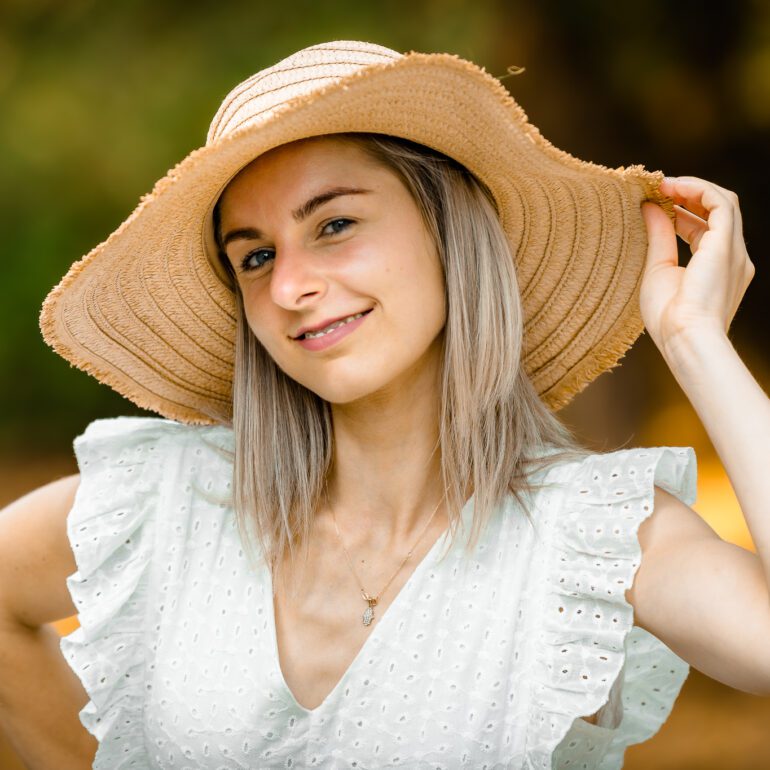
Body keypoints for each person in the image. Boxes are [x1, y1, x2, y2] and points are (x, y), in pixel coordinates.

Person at [0, 39, 766, 770]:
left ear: (450, 231)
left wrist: (696, 343)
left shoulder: (592, 533)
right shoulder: (167, 497)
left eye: (334, 225)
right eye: (256, 257)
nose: (290, 287)